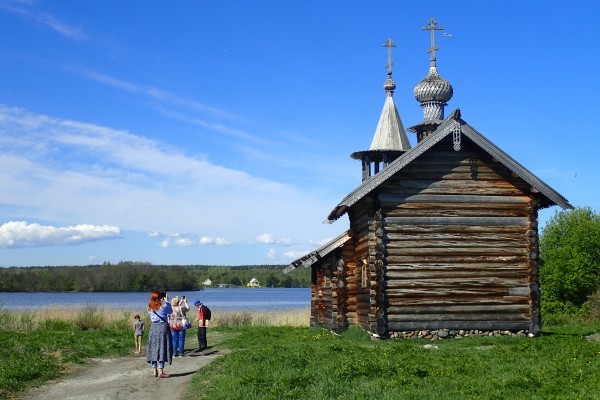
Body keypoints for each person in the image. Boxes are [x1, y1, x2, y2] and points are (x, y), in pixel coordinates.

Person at [146, 291, 173, 378]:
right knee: (162, 347)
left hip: (153, 328)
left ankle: (154, 369)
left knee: (154, 347)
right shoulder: (164, 306)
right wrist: (167, 301)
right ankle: (161, 370)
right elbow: (170, 311)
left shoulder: (149, 308)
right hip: (163, 327)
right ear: (160, 298)